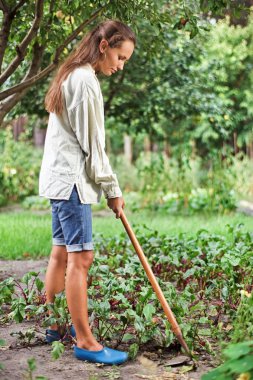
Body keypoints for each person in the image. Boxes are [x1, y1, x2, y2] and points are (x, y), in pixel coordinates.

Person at [39, 20, 136, 365]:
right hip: (73, 185)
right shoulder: (85, 81)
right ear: (105, 45)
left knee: (61, 254)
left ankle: (54, 328)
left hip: (59, 181)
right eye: (121, 57)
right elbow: (93, 145)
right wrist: (112, 189)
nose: (120, 66)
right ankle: (85, 341)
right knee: (81, 259)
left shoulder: (73, 73)